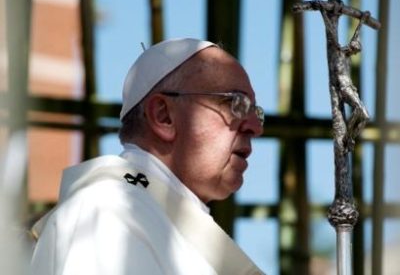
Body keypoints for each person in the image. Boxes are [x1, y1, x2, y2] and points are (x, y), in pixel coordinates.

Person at [30, 38, 266, 275]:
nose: (255, 127)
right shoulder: (108, 210)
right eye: (234, 103)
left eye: (255, 111)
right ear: (164, 117)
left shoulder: (159, 219)